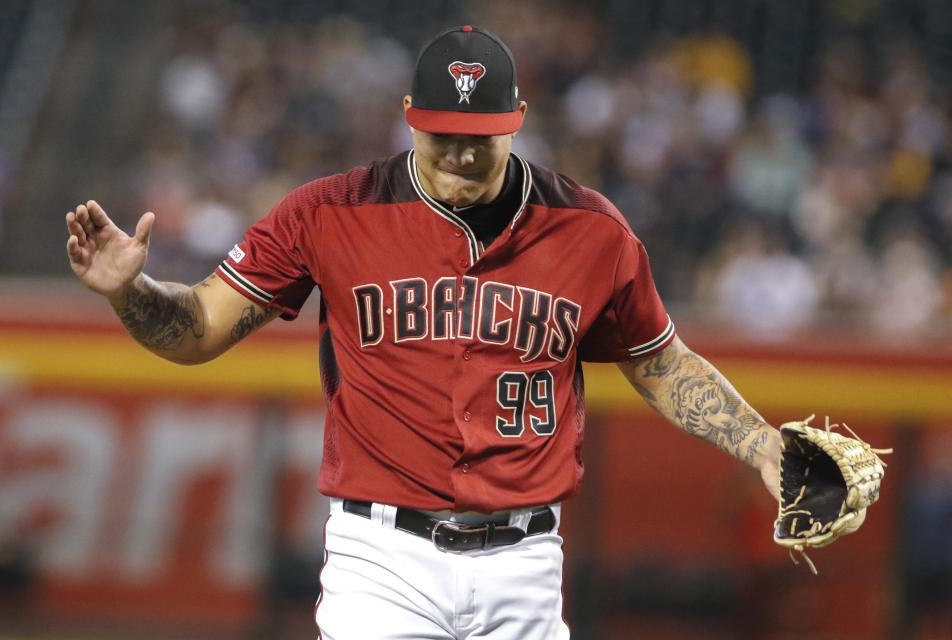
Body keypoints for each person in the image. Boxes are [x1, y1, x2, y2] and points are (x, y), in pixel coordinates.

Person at [66, 25, 781, 640]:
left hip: (525, 565)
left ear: (517, 120)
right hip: (383, 559)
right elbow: (197, 330)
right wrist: (130, 291)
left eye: (480, 140)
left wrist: (762, 444)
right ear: (409, 116)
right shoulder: (331, 212)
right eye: (443, 136)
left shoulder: (592, 231)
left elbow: (661, 363)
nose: (461, 158)